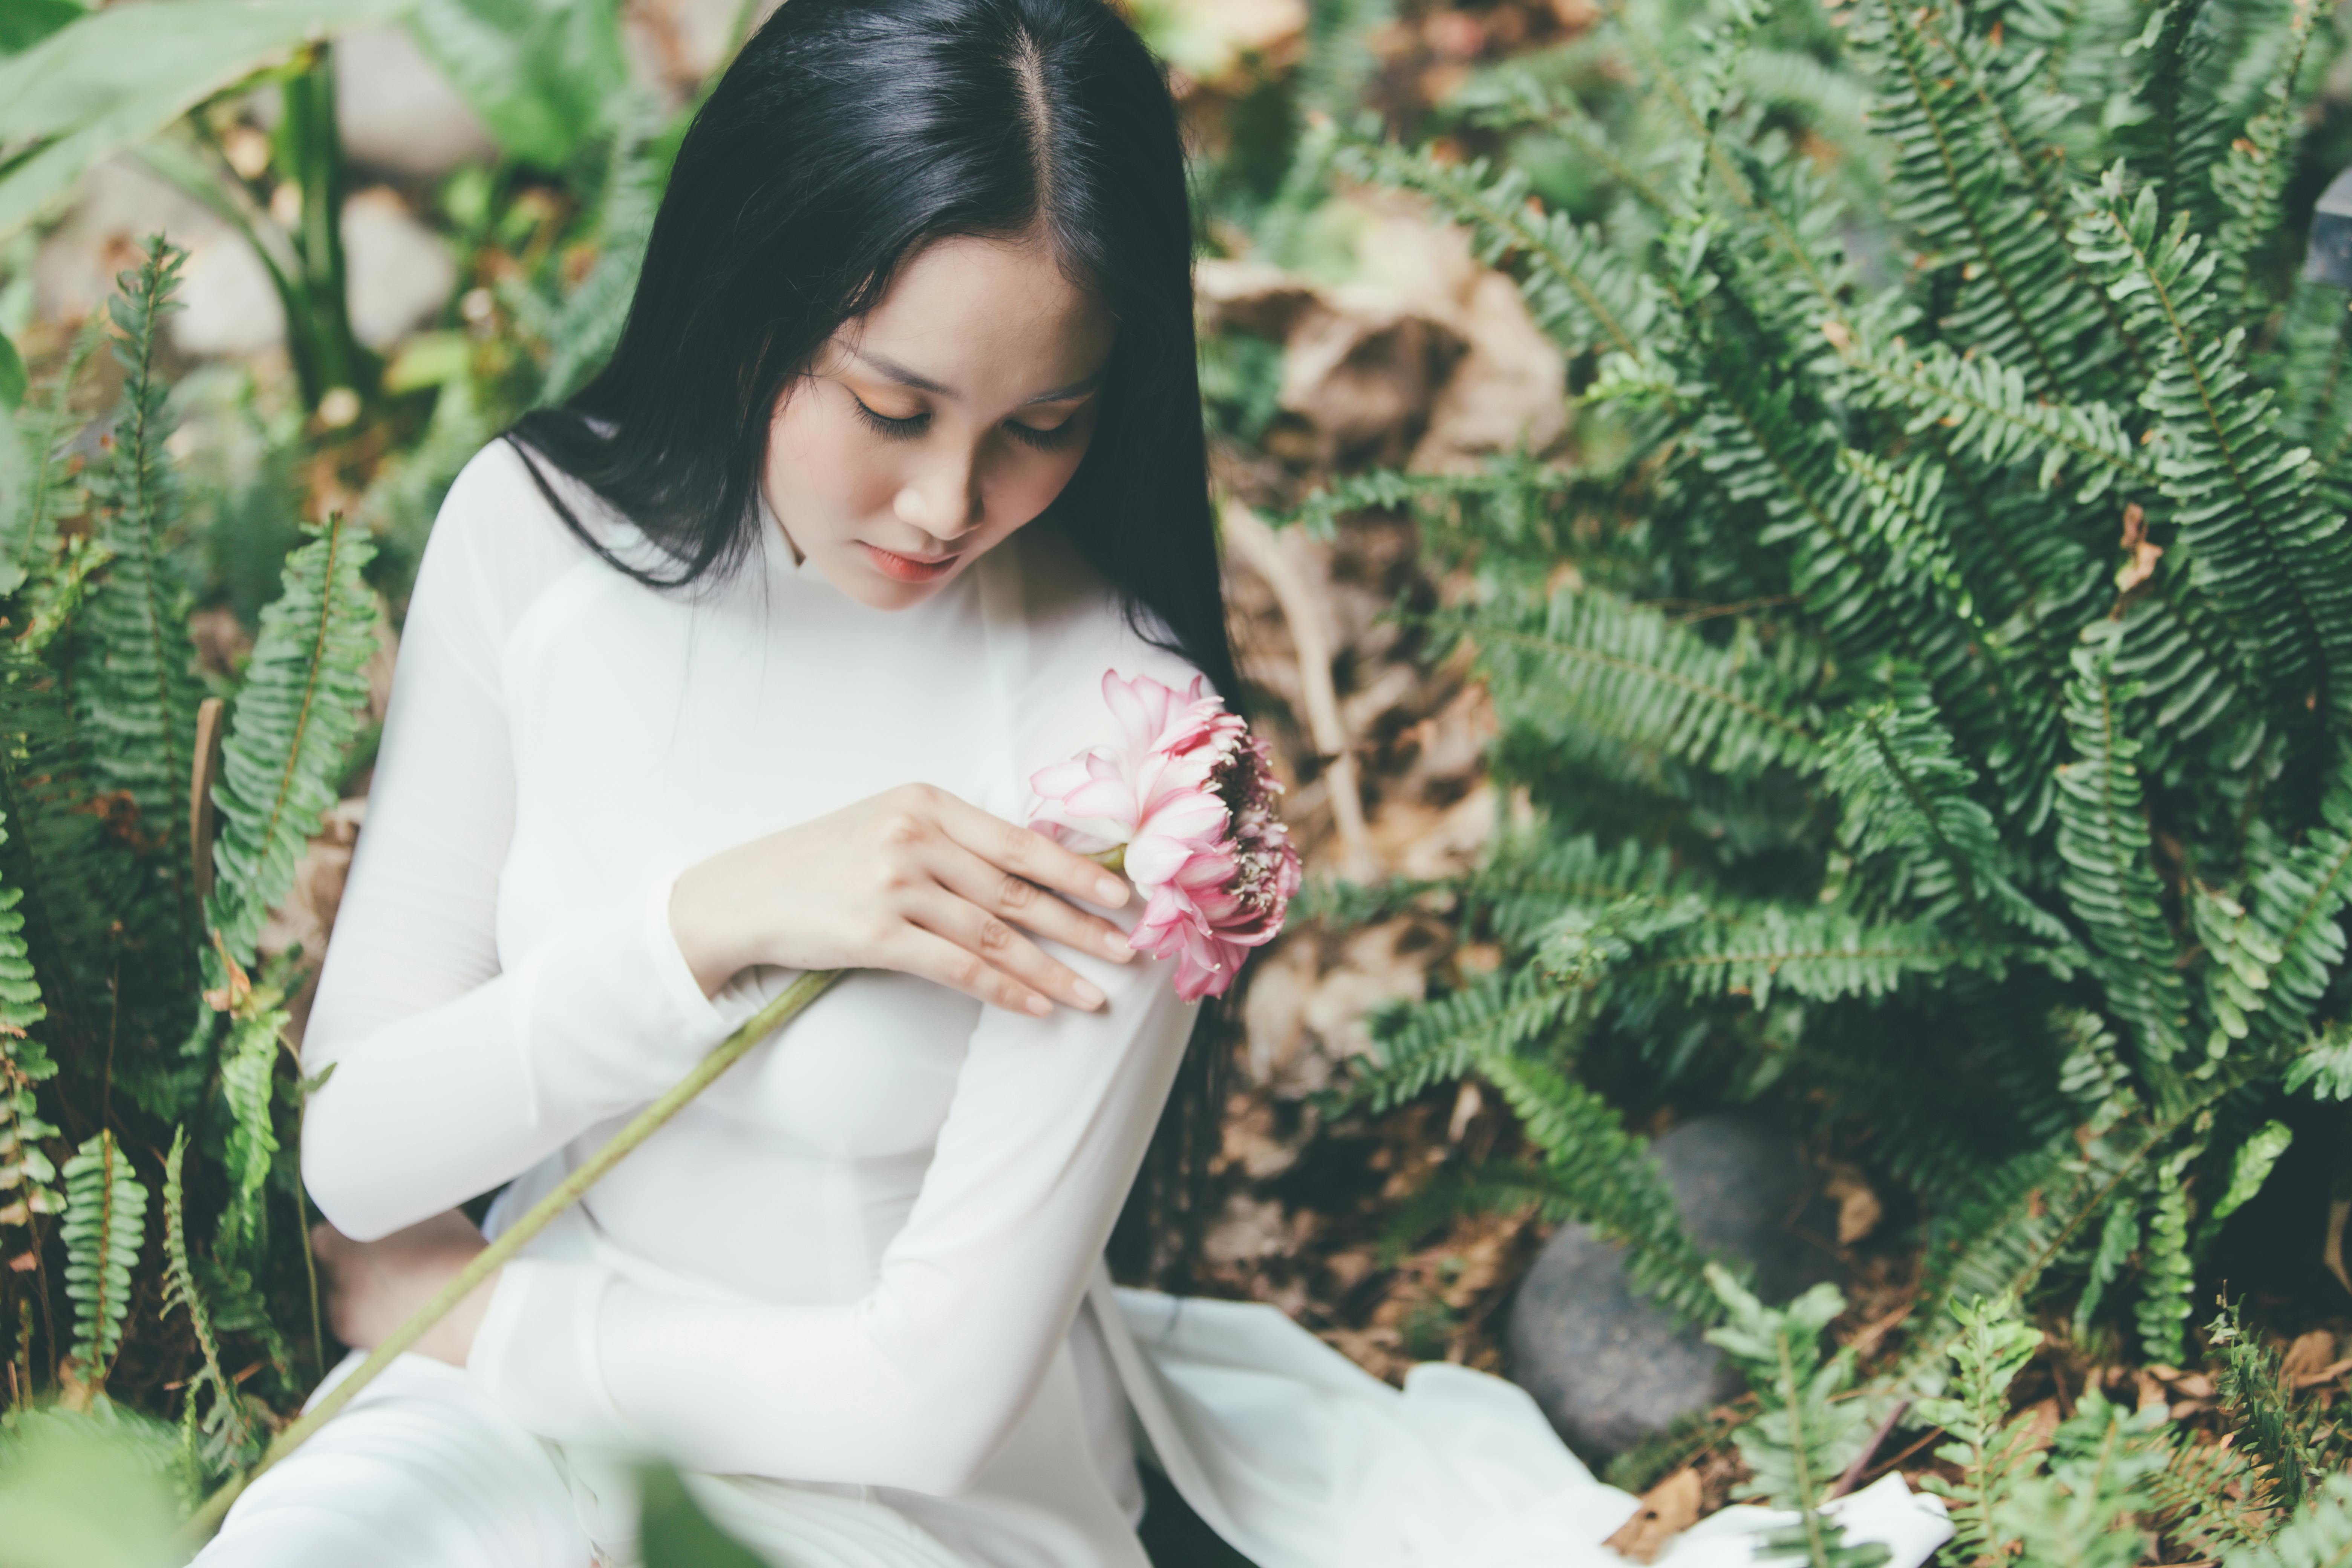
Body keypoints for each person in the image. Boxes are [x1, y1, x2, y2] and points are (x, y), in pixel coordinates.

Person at [194, 3, 1954, 1565]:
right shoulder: (536, 536)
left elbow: (920, 1402)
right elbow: (354, 1146)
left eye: (1043, 426)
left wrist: (476, 1320)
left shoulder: (1134, 755)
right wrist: (717, 918)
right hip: (491, 1428)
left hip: (874, 1502)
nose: (952, 503)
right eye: (891, 405)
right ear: (750, 299)